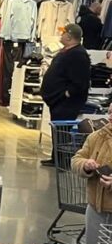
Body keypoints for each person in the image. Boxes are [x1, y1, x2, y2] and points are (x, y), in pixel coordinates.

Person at [41, 24, 92, 166]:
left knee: (62, 131)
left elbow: (80, 81)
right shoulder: (67, 51)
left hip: (66, 102)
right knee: (58, 130)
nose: (61, 35)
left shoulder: (78, 54)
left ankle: (61, 161)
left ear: (69, 36)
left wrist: (66, 94)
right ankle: (56, 158)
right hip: (58, 101)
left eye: (63, 33)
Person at [72, 105, 112, 244]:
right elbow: (76, 159)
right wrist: (85, 164)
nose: (111, 117)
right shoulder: (96, 137)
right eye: (110, 112)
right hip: (96, 209)